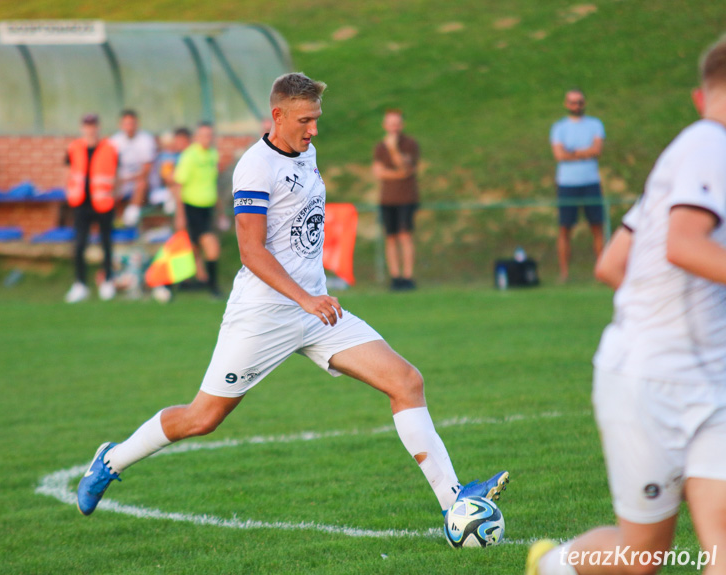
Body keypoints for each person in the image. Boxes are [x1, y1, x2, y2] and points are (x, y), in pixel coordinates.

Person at [76, 72, 509, 521]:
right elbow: (250, 251)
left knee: (406, 381)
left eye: (317, 119)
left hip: (316, 310)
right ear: (277, 116)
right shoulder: (254, 167)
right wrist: (305, 298)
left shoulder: (306, 151)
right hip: (264, 315)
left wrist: (310, 298)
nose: (314, 129)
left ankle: (454, 502)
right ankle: (111, 459)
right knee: (201, 418)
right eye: (305, 120)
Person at [528, 36, 726, 575]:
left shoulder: (685, 155)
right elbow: (683, 246)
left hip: (706, 383)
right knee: (641, 557)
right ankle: (553, 567)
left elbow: (613, 264)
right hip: (651, 383)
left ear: (697, 95)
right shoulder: (711, 146)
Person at [550, 90, 606, 283]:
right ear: (566, 104)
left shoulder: (595, 124)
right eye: (573, 102)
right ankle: (564, 274)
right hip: (567, 183)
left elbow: (597, 150)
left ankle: (601, 270)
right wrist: (584, 152)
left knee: (597, 227)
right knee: (565, 228)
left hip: (590, 181)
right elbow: (559, 155)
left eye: (580, 102)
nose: (576, 106)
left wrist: (571, 153)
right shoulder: (559, 128)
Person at [64, 114, 119, 303]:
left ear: (98, 127)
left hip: (103, 202)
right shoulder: (74, 147)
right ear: (82, 127)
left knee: (106, 244)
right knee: (79, 244)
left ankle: (108, 281)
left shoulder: (109, 148)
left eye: (93, 125)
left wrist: (113, 195)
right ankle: (80, 284)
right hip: (81, 202)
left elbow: (115, 174)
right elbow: (68, 171)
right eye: (87, 125)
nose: (90, 129)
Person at [172, 122, 223, 297]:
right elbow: (178, 184)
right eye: (204, 135)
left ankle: (195, 281)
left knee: (195, 246)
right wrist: (180, 214)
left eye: (210, 135)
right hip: (191, 207)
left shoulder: (212, 155)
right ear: (197, 137)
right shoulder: (189, 156)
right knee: (210, 244)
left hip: (207, 208)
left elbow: (213, 183)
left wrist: (220, 211)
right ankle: (213, 286)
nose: (207, 139)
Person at [372, 109, 420, 290]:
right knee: (390, 237)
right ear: (385, 125)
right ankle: (395, 277)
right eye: (390, 123)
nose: (394, 127)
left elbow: (406, 167)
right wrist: (398, 174)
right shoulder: (379, 146)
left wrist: (393, 149)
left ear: (402, 125)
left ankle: (408, 277)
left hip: (406, 197)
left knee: (405, 236)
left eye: (397, 123)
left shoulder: (409, 144)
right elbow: (379, 172)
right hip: (387, 199)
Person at [109, 109, 155, 228]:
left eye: (132, 123)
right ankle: (113, 221)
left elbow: (147, 169)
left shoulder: (146, 140)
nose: (129, 127)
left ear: (137, 124)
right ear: (120, 125)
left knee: (141, 183)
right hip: (121, 181)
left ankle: (130, 218)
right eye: (126, 123)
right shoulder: (114, 141)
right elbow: (109, 166)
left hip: (140, 182)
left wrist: (127, 179)